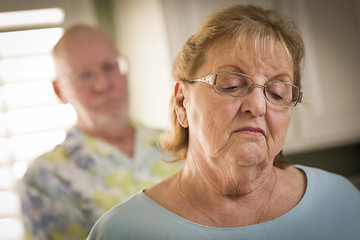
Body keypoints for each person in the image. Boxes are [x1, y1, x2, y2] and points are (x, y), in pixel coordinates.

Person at [87, 4, 360, 240]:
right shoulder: (122, 231)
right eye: (230, 85)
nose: (257, 106)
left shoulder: (341, 201)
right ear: (183, 102)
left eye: (277, 92)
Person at [19, 24, 179, 240]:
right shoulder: (46, 177)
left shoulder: (181, 143)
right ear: (59, 91)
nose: (102, 85)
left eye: (109, 67)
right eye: (84, 75)